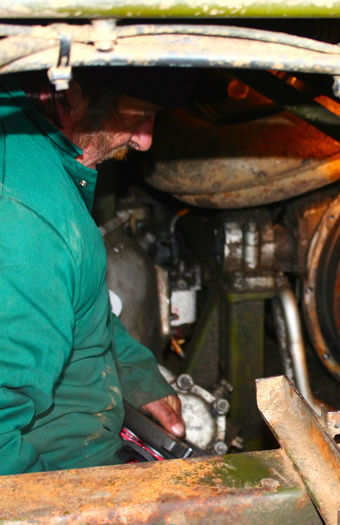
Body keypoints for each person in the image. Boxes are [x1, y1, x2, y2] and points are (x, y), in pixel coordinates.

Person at [0, 73, 185, 474]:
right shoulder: (29, 223)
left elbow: (71, 303)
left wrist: (134, 371)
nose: (144, 140)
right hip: (59, 477)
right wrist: (64, 509)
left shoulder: (29, 150)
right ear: (72, 93)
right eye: (136, 115)